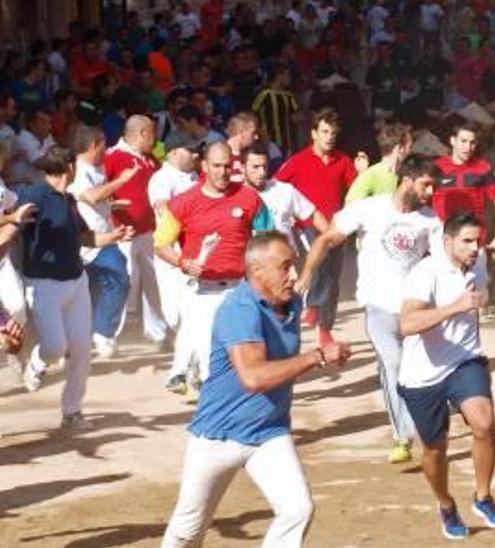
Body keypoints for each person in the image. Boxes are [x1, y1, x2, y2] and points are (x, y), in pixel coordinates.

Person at [160, 231, 352, 548]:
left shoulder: (291, 301)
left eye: (294, 266)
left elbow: (323, 246)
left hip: (268, 432)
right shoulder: (239, 309)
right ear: (257, 270)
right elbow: (253, 377)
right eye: (285, 266)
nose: (293, 275)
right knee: (187, 531)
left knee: (297, 509)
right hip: (218, 436)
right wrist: (317, 357)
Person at [299, 153, 442, 465]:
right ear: (407, 180)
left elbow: (444, 262)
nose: (431, 193)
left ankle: (427, 425)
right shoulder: (369, 209)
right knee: (392, 364)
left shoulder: (430, 220)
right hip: (377, 307)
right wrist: (307, 274)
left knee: (420, 371)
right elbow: (326, 239)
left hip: (414, 310)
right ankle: (403, 436)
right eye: (426, 185)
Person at [398, 212, 495, 540]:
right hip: (422, 374)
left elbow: (481, 294)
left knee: (485, 424)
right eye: (467, 241)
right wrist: (454, 307)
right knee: (435, 449)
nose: (476, 248)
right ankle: (446, 505)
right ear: (447, 241)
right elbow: (406, 325)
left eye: (478, 240)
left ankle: (483, 497)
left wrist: (478, 300)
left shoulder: (479, 261)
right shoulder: (425, 272)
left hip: (465, 360)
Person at [18, 146, 134, 430]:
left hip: (76, 281)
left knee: (81, 349)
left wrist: (113, 237)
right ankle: (36, 361)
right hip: (44, 283)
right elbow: (10, 215)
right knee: (55, 346)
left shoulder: (68, 199)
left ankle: (72, 411)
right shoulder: (34, 195)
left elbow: (86, 237)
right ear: (69, 168)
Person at [154, 142, 271, 394]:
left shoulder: (249, 198)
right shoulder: (183, 203)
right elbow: (161, 244)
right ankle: (199, 385)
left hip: (240, 289)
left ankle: (191, 373)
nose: (222, 171)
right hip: (201, 290)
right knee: (211, 357)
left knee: (246, 348)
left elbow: (267, 238)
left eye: (228, 166)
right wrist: (183, 263)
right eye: (217, 165)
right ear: (204, 166)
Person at [275, 108, 357, 346]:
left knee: (333, 275)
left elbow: (356, 189)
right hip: (308, 225)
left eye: (333, 132)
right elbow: (276, 187)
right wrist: (290, 216)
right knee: (320, 265)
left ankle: (325, 327)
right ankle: (312, 304)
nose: (329, 136)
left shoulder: (343, 160)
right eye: (324, 131)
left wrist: (361, 174)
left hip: (337, 224)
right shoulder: (298, 161)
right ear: (314, 134)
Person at [433, 122, 495, 316]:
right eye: (463, 141)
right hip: (441, 240)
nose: (468, 147)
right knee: (442, 295)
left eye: (472, 142)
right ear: (452, 141)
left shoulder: (483, 168)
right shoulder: (437, 168)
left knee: (474, 297)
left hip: (474, 241)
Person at [105, 115, 169, 351]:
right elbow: (98, 190)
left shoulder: (151, 160)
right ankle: (108, 333)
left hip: (149, 232)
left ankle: (157, 330)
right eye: (152, 134)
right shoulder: (112, 157)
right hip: (123, 233)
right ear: (142, 133)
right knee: (123, 281)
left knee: (153, 281)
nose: (155, 140)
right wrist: (111, 216)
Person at [69, 125, 133, 359]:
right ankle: (77, 340)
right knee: (84, 293)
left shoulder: (97, 167)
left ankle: (103, 332)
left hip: (104, 236)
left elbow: (94, 200)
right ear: (94, 145)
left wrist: (112, 205)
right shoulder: (76, 169)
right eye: (103, 144)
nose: (106, 149)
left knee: (118, 281)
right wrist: (122, 180)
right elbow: (92, 195)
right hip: (83, 240)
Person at [148, 142, 201, 335]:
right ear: (174, 151)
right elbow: (162, 207)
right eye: (191, 150)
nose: (196, 155)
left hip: (194, 248)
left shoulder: (195, 176)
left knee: (194, 304)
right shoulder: (162, 178)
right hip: (170, 250)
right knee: (173, 311)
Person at [243, 142, 328, 240]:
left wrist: (331, 238)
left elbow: (314, 215)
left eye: (265, 166)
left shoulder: (284, 190)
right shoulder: (235, 197)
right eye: (256, 167)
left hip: (288, 253)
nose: (262, 172)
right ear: (243, 166)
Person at [345, 122, 411, 203]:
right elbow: (350, 206)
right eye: (409, 147)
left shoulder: (404, 177)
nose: (411, 151)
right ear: (399, 148)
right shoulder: (371, 174)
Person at [253, 65, 299, 154]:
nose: (289, 79)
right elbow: (253, 113)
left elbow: (293, 116)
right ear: (279, 76)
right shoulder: (264, 94)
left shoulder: (288, 96)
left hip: (287, 142)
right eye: (287, 75)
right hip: (268, 141)